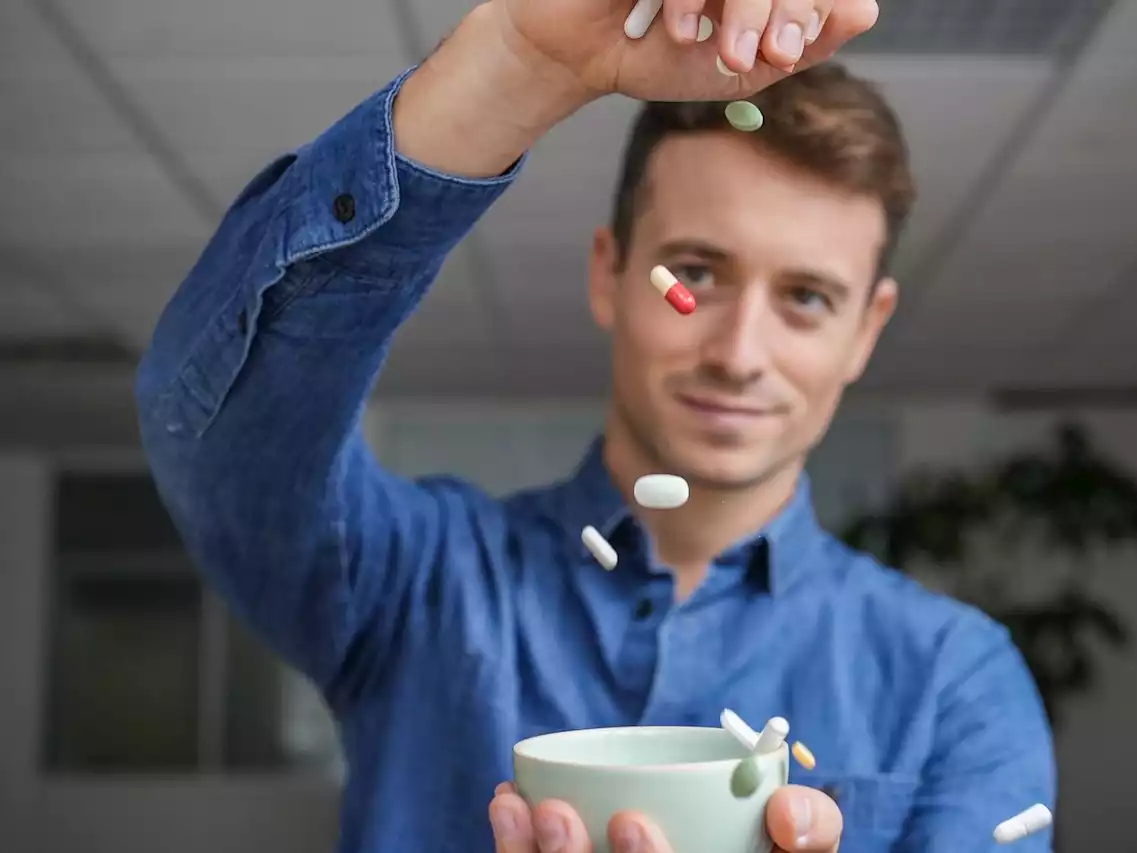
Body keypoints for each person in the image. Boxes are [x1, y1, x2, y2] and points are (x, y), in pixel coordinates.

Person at [136, 0, 1056, 851]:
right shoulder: (421, 585)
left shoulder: (953, 681)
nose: (739, 351)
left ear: (868, 328)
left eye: (807, 297)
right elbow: (216, 422)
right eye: (696, 273)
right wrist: (517, 64)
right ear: (609, 272)